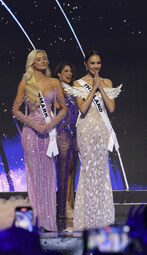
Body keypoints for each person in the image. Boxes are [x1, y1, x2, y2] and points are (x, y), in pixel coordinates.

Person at [64, 50, 121, 230]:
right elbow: (82, 108)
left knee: (102, 169)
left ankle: (103, 217)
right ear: (85, 64)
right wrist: (93, 89)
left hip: (102, 129)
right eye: (92, 63)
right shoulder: (78, 83)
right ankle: (86, 217)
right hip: (86, 129)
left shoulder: (107, 82)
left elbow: (111, 107)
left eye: (98, 63)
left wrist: (100, 87)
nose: (96, 66)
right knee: (88, 169)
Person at [12, 49, 67, 231]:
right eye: (38, 59)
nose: (43, 61)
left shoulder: (54, 82)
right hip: (31, 135)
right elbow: (16, 110)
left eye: (44, 58)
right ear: (32, 63)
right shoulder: (25, 84)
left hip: (49, 135)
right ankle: (35, 223)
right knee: (34, 178)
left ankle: (48, 222)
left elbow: (63, 109)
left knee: (48, 177)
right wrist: (35, 126)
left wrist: (51, 125)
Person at [53, 62, 79, 219]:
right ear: (59, 74)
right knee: (62, 170)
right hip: (62, 131)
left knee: (71, 169)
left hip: (75, 132)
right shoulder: (55, 90)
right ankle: (62, 208)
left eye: (71, 71)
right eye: (66, 71)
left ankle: (71, 203)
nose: (69, 74)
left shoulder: (74, 91)